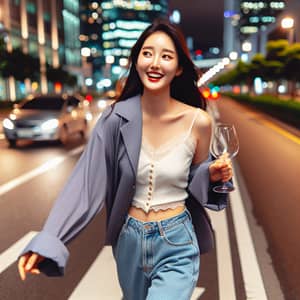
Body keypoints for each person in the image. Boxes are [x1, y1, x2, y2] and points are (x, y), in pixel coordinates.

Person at [18, 19, 233, 300]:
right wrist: (50, 239)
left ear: (179, 68)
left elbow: (196, 176)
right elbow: (85, 184)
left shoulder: (199, 122)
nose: (155, 63)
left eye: (166, 56)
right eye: (147, 53)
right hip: (129, 240)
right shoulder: (114, 119)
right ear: (136, 60)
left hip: (177, 240)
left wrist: (213, 175)